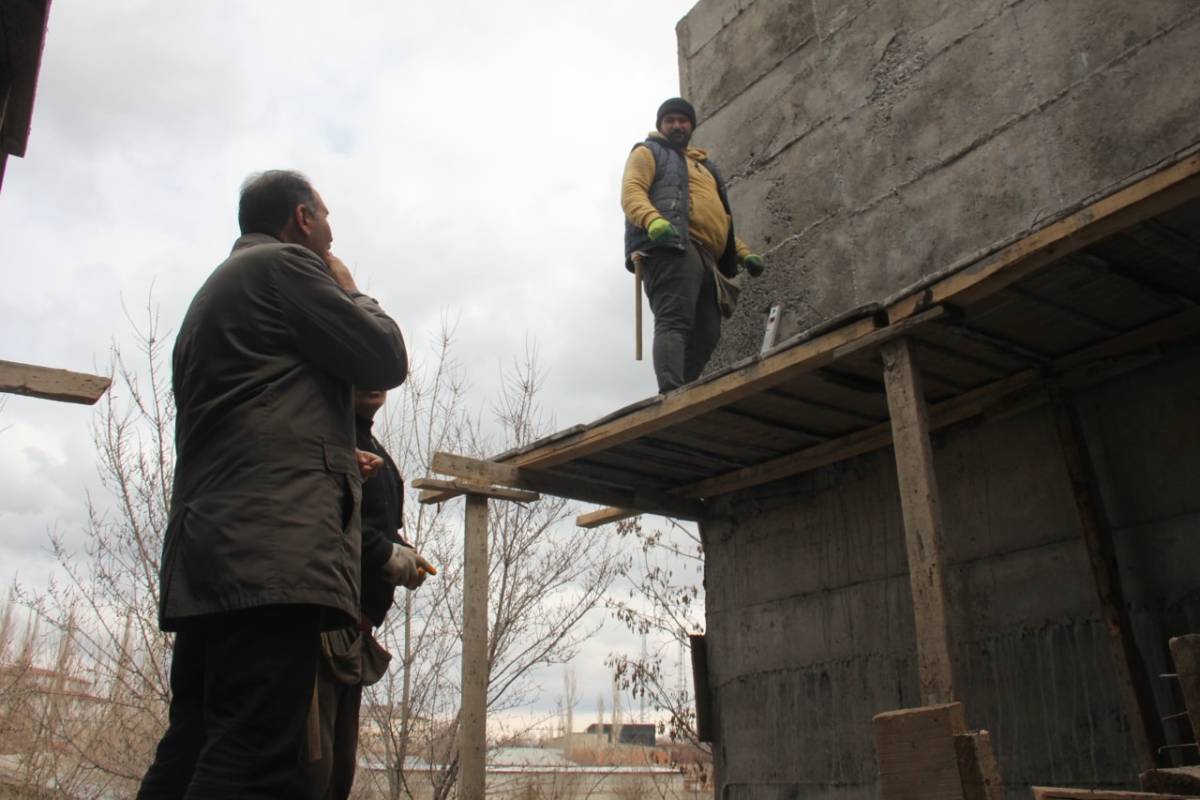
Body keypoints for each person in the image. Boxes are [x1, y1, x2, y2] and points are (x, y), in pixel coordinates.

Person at [138, 170, 412, 799]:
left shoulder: (214, 295)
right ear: (302, 218)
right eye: (326, 218)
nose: (332, 234)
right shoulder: (283, 267)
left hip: (210, 554)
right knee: (253, 755)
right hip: (269, 560)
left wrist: (332, 456)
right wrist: (350, 288)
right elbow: (384, 355)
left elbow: (251, 424)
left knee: (191, 745)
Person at [293, 388, 433, 800]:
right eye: (364, 368)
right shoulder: (321, 436)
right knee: (309, 775)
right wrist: (384, 554)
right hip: (315, 630)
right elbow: (322, 521)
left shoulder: (378, 455)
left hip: (353, 635)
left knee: (337, 776)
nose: (375, 382)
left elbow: (375, 526)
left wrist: (403, 551)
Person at [622, 97, 766, 393]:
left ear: (691, 126)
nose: (677, 125)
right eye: (670, 120)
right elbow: (632, 190)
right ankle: (671, 392)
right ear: (660, 125)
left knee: (708, 332)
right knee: (674, 319)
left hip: (708, 257)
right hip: (673, 245)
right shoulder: (649, 152)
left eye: (683, 120)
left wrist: (742, 253)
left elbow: (719, 219)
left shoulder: (705, 167)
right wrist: (652, 220)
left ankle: (684, 389)